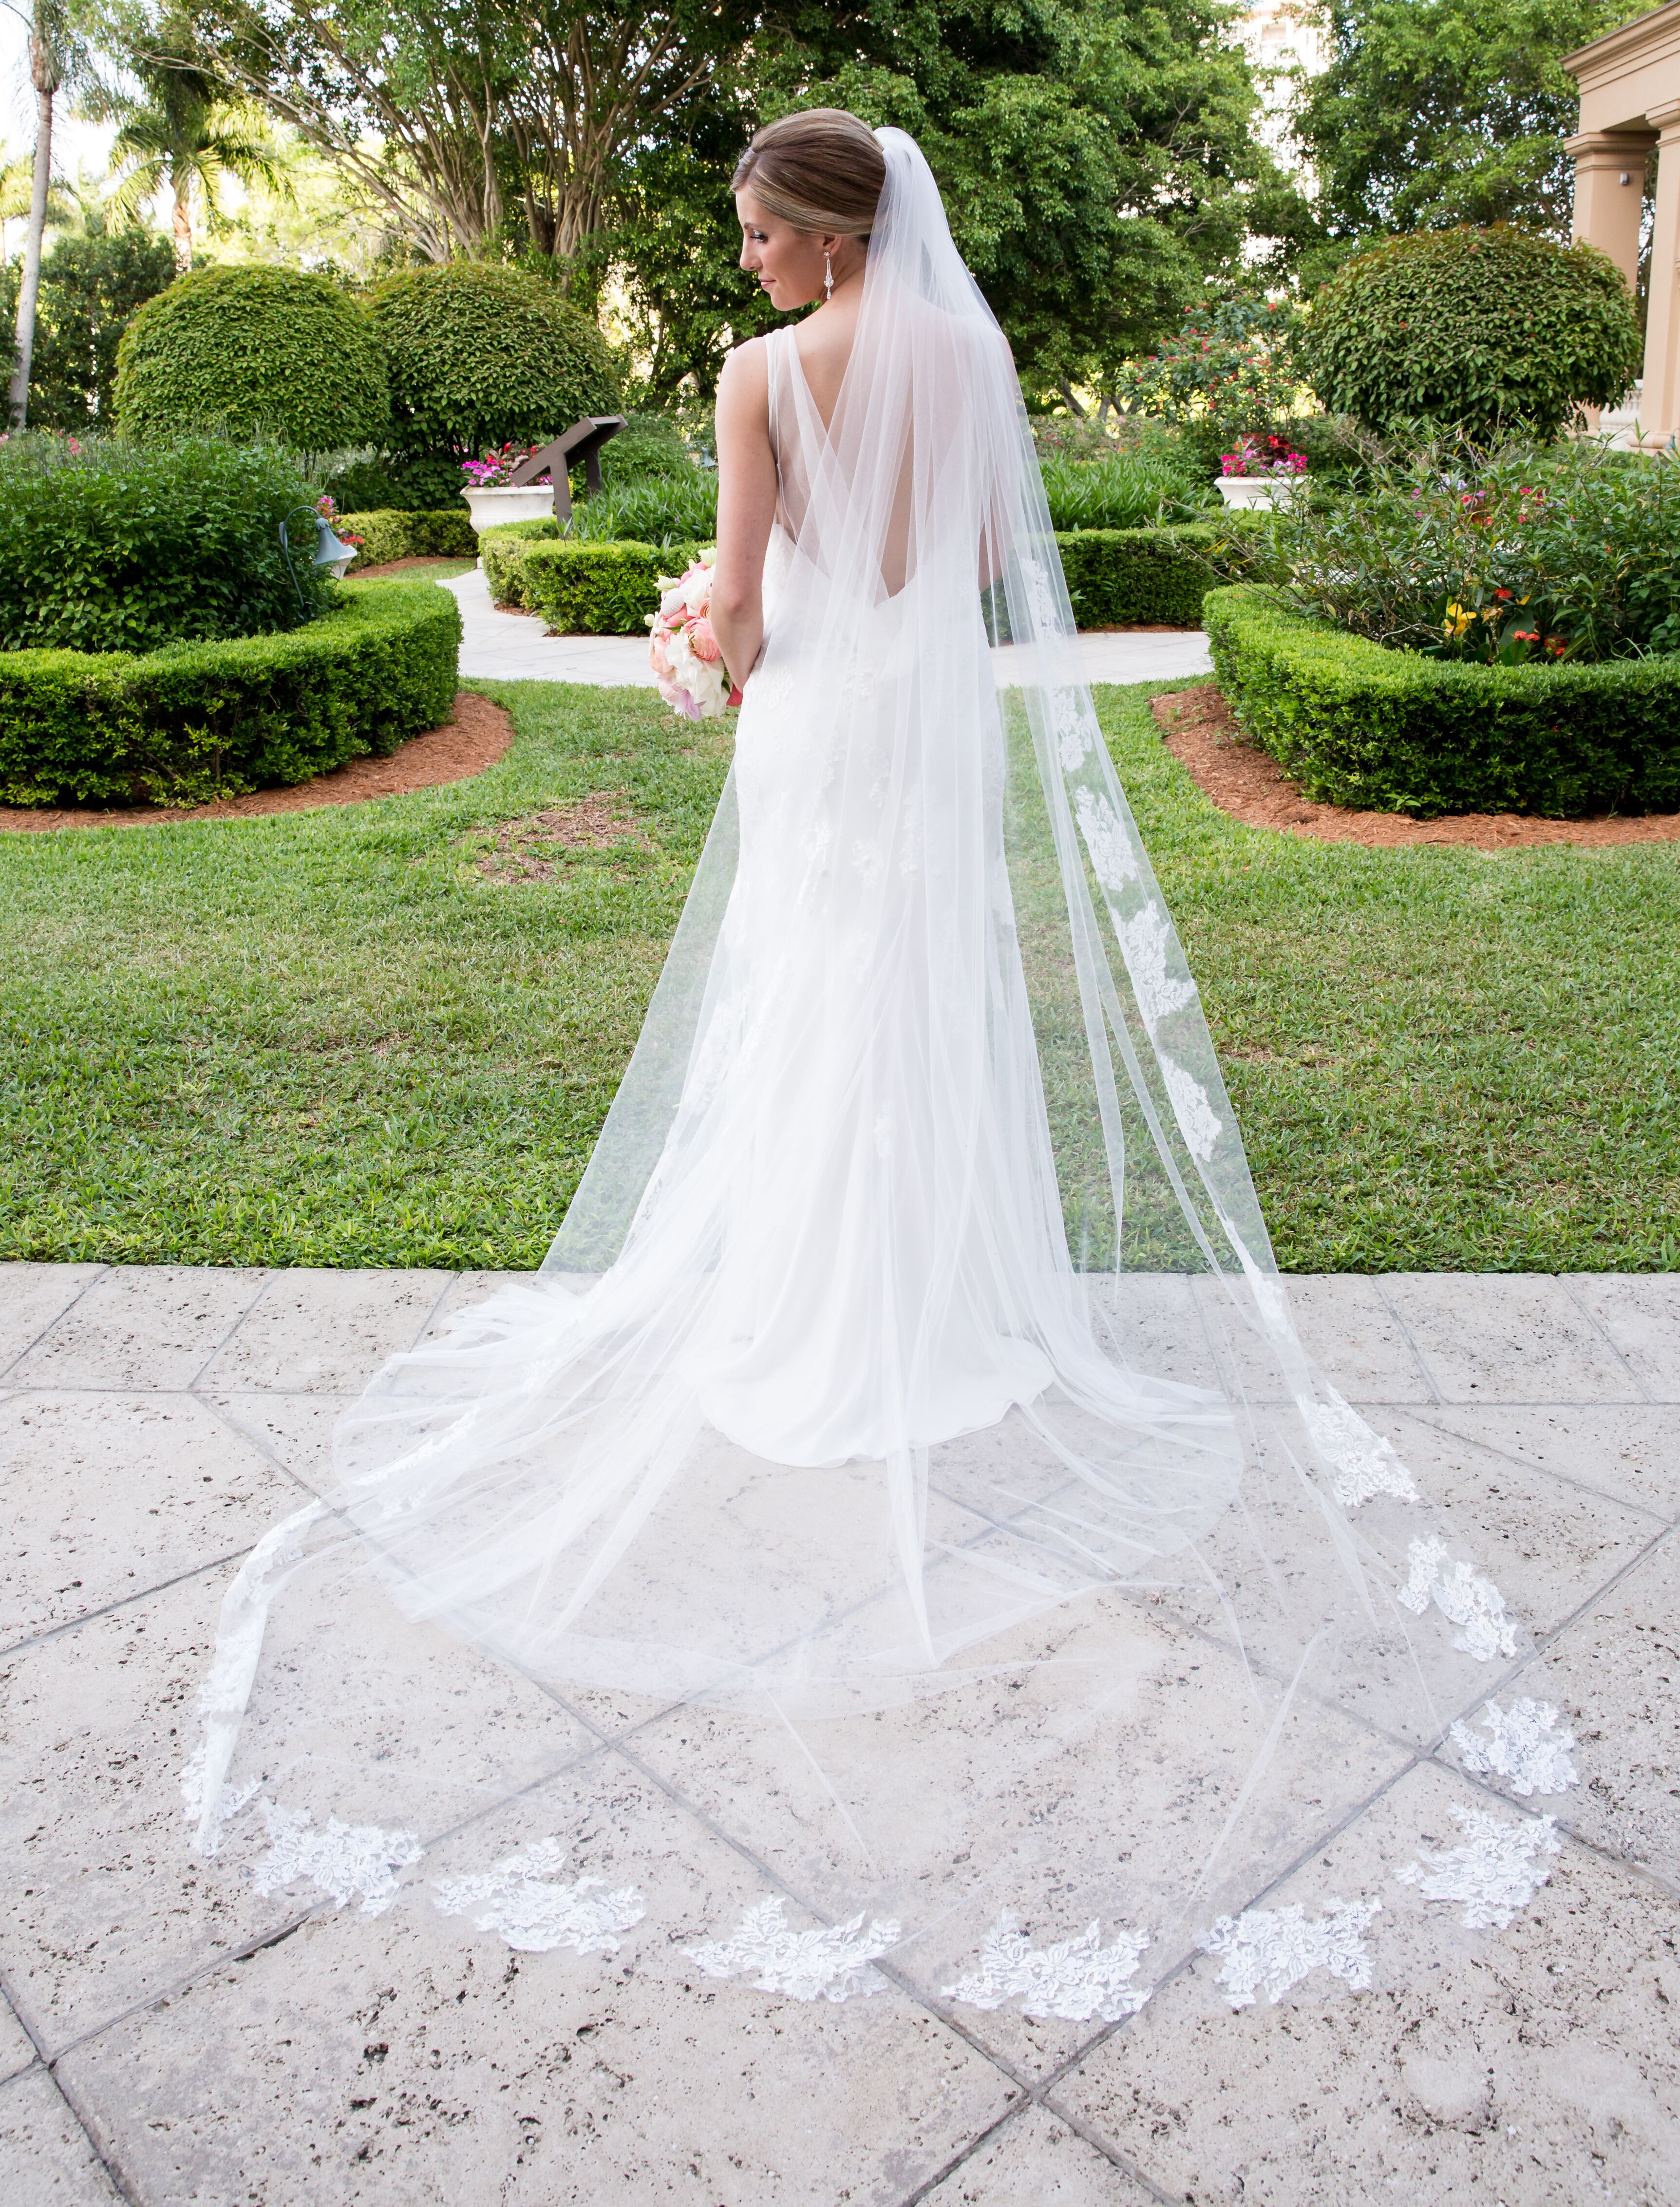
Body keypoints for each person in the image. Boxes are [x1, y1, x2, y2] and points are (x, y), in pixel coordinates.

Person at [187, 113, 1561, 2016]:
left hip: (824, 723)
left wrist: (692, 629)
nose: (740, 256)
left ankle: (814, 1321)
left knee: (807, 1011)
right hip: (925, 728)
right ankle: (940, 1307)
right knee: (918, 1007)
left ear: (829, 238)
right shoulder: (972, 358)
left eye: (757, 230)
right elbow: (993, 557)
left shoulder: (766, 378)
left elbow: (744, 606)